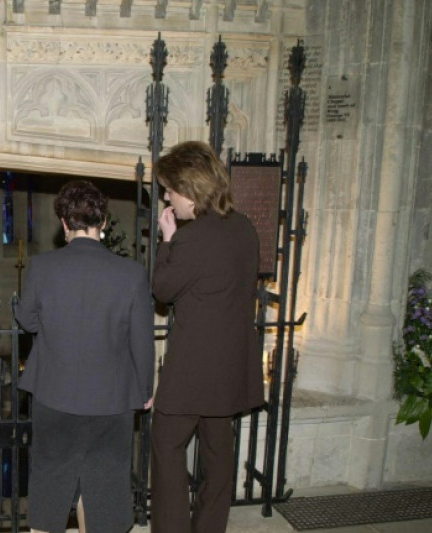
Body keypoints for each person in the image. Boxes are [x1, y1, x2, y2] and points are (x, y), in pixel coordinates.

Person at [16, 179, 156, 533]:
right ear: (103, 222)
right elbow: (142, 340)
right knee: (103, 486)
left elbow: (26, 318)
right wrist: (145, 389)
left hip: (55, 393)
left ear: (64, 222)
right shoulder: (132, 274)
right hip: (112, 399)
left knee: (50, 481)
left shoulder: (42, 266)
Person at [149, 141, 262, 533]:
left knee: (166, 446)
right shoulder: (244, 228)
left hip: (193, 368)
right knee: (218, 454)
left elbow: (163, 290)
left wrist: (167, 239)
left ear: (190, 189)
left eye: (169, 189)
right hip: (231, 364)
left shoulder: (192, 237)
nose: (167, 197)